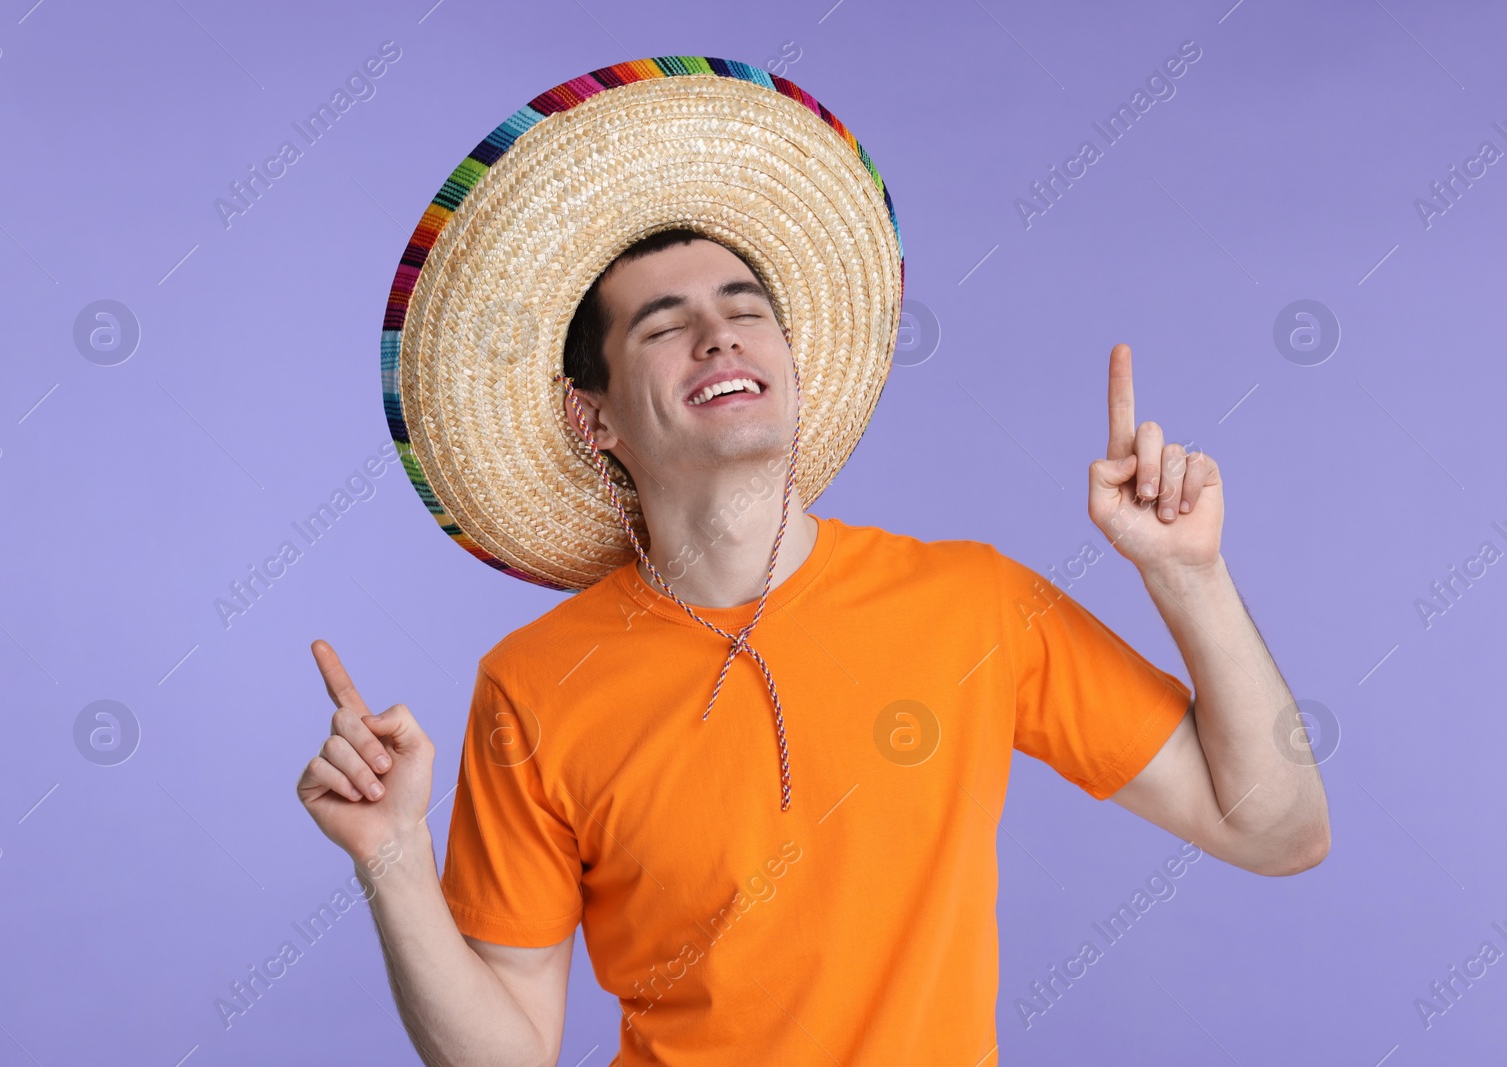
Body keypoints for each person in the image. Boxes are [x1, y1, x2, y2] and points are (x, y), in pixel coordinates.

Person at [296, 57, 1330, 1066]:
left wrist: (1187, 576)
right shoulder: (530, 686)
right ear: (593, 412)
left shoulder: (974, 603)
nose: (719, 336)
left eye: (747, 309)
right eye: (665, 325)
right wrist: (390, 860)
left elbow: (1277, 831)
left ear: (790, 364)